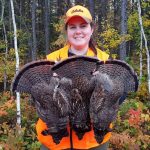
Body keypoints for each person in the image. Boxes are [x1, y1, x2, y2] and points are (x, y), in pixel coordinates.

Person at [36, 5, 111, 150]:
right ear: (67, 31)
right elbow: (39, 99)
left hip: (93, 142)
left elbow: (117, 99)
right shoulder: (51, 60)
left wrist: (101, 88)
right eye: (72, 27)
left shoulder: (105, 60)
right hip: (54, 139)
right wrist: (52, 86)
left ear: (91, 29)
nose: (78, 32)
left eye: (83, 26)